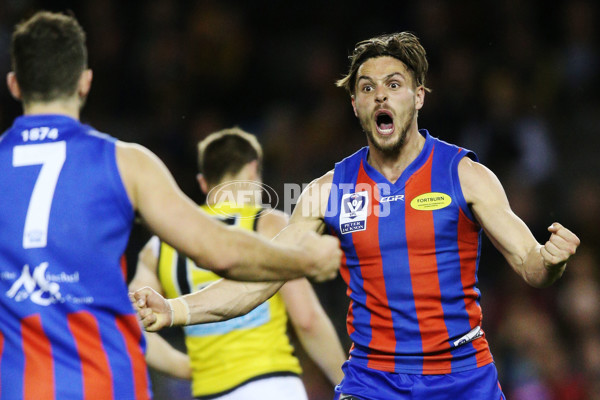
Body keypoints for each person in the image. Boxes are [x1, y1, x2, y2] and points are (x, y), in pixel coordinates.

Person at [132, 31, 580, 399]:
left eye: (394, 84)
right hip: (373, 382)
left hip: (462, 379)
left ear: (418, 97)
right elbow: (260, 278)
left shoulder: (465, 175)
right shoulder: (327, 190)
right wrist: (174, 310)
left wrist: (552, 260)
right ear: (355, 105)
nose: (380, 95)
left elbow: (530, 265)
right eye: (367, 87)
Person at [0, 11, 341, 400]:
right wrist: (305, 259)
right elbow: (220, 251)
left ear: (14, 84)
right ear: (85, 82)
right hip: (105, 384)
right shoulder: (126, 163)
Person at [131, 127, 346, 399]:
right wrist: (345, 382)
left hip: (208, 391)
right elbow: (307, 319)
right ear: (253, 170)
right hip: (271, 385)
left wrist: (188, 367)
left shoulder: (160, 245)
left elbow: (131, 321)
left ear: (203, 183)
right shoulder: (267, 224)